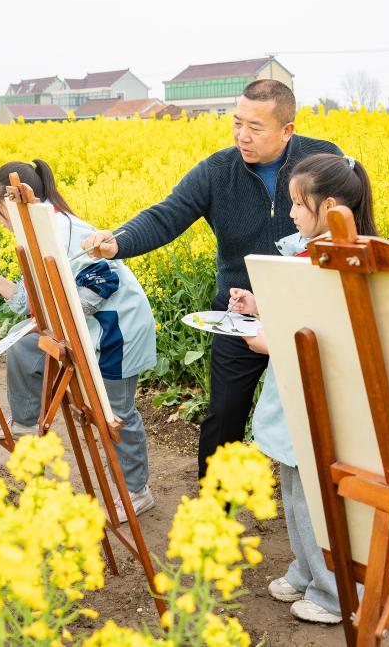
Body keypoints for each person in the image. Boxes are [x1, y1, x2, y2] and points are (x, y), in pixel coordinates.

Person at [82, 79, 343, 477]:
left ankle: (322, 511)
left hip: (308, 310)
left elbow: (350, 219)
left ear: (287, 130)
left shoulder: (323, 159)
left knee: (324, 414)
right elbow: (167, 214)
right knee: (224, 416)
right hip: (239, 311)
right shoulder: (218, 171)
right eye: (237, 123)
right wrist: (117, 243)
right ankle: (213, 517)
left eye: (255, 128)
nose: (242, 135)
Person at [230, 153, 376, 625]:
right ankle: (307, 567)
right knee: (294, 489)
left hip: (324, 398)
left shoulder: (348, 260)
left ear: (328, 204)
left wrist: (270, 340)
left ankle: (335, 591)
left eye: (297, 203)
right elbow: (300, 315)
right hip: (295, 391)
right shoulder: (307, 251)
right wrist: (259, 305)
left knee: (319, 498)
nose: (290, 212)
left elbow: (336, 336)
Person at [0, 159, 156, 522]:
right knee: (24, 343)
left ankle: (138, 491)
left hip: (118, 331)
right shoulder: (36, 233)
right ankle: (25, 422)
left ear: (18, 201)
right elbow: (29, 302)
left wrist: (60, 317)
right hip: (86, 330)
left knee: (117, 414)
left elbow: (103, 282)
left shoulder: (67, 230)